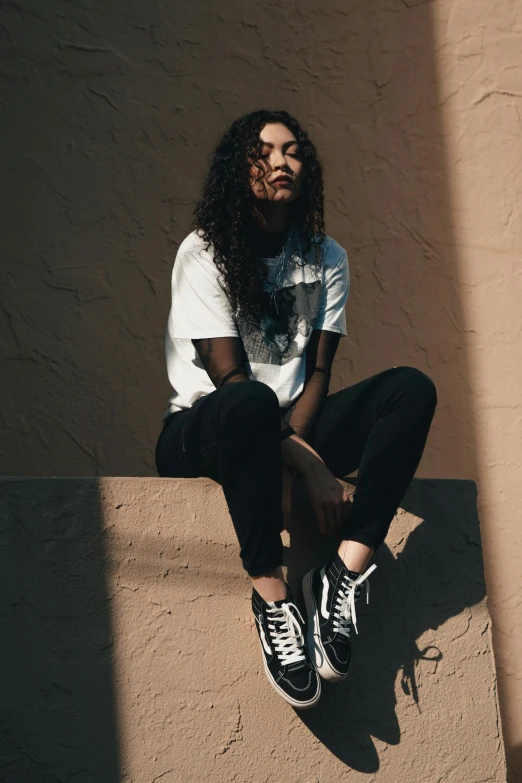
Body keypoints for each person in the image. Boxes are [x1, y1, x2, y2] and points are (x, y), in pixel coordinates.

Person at [155, 109, 437, 710]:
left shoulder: (326, 256)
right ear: (240, 168)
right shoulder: (203, 252)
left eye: (293, 151)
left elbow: (318, 373)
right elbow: (230, 381)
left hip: (286, 429)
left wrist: (293, 457)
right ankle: (273, 598)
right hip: (208, 430)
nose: (281, 162)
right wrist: (308, 469)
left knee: (410, 389)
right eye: (264, 152)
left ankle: (343, 572)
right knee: (252, 400)